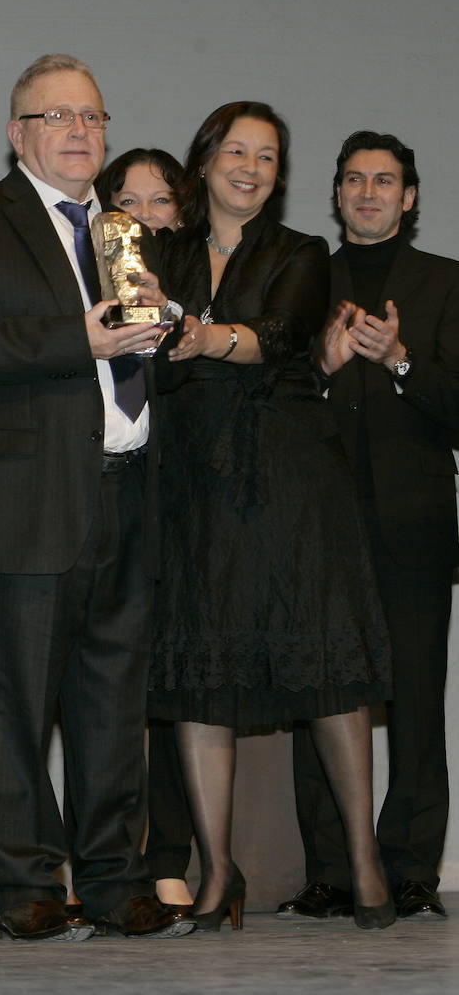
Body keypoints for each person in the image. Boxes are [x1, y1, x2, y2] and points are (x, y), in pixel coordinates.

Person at [0, 55, 192, 942]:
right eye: (57, 115)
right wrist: (78, 335)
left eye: (93, 116)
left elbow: (130, 353)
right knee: (18, 705)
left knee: (115, 705)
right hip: (24, 501)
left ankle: (114, 884)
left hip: (127, 491)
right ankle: (23, 886)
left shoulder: (121, 231)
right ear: (18, 133)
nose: (80, 130)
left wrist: (163, 324)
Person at [149, 102, 395, 931]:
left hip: (289, 474)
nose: (251, 167)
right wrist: (157, 326)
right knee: (199, 668)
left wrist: (203, 337)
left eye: (268, 156)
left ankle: (364, 861)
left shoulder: (302, 251)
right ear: (206, 158)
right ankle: (218, 872)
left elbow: (283, 334)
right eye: (237, 151)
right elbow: (140, 342)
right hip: (192, 478)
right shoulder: (162, 253)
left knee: (321, 652)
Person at [279, 132, 457, 923]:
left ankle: (412, 868)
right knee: (321, 691)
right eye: (354, 179)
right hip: (321, 519)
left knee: (416, 698)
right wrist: (320, 363)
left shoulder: (446, 283)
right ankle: (328, 869)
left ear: (409, 197)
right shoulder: (306, 278)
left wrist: (402, 361)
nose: (368, 191)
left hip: (414, 525)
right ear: (338, 193)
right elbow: (274, 394)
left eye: (385, 180)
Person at [94, 148, 196, 915]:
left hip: (184, 503)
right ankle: (98, 858)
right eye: (126, 199)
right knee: (101, 694)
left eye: (160, 200)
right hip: (104, 495)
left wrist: (173, 317)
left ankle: (168, 854)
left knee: (164, 686)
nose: (143, 214)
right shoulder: (86, 278)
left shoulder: (190, 285)